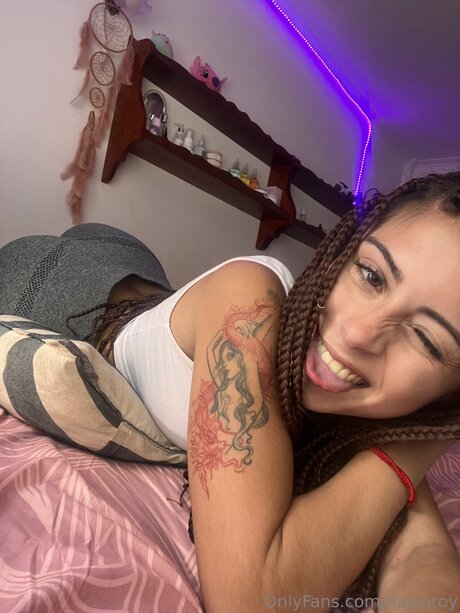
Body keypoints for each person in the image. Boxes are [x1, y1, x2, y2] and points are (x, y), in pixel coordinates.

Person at [1, 171, 460, 612]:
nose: (358, 333)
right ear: (344, 251)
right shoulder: (249, 297)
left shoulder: (372, 416)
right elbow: (251, 600)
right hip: (50, 282)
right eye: (372, 275)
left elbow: (421, 557)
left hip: (136, 273)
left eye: (426, 339)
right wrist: (419, 447)